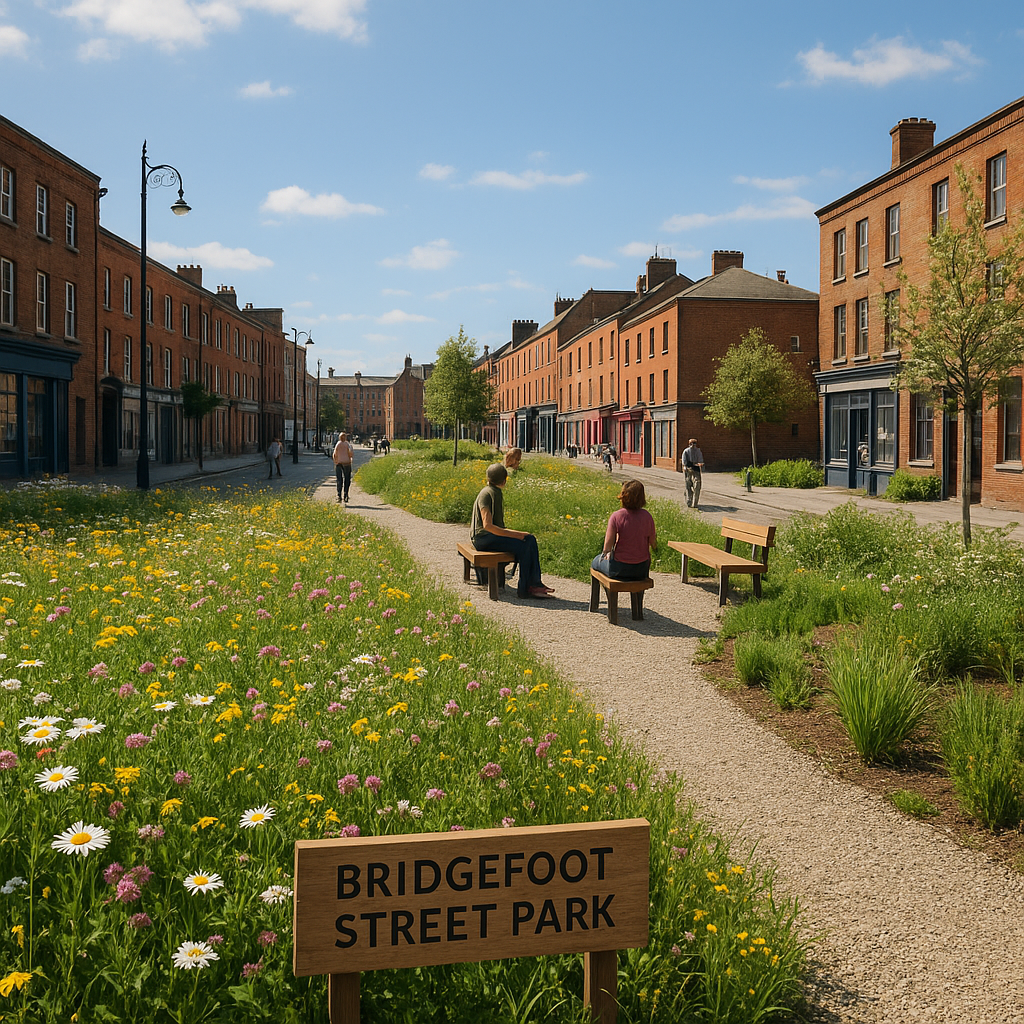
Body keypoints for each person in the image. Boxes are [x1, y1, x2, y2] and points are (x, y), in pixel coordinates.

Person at [470, 463, 553, 599]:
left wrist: (518, 535)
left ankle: (533, 584)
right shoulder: (488, 494)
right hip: (483, 539)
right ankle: (527, 587)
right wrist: (517, 534)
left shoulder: (492, 491)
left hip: (486, 537)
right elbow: (488, 526)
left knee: (529, 540)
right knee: (525, 542)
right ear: (504, 480)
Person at [591, 479, 657, 580]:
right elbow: (653, 544)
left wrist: (607, 555)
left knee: (595, 561)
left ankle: (599, 595)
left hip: (619, 568)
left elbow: (607, 548)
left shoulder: (616, 516)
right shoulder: (647, 517)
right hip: (641, 570)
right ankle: (637, 595)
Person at [682, 437, 704, 509]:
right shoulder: (686, 451)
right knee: (688, 485)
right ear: (689, 444)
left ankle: (695, 503)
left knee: (697, 485)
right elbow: (684, 461)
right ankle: (689, 500)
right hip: (688, 469)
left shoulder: (698, 451)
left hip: (696, 469)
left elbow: (700, 460)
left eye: (694, 443)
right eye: (692, 444)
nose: (693, 445)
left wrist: (700, 463)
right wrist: (684, 466)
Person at [332, 432, 355, 503]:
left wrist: (335, 461)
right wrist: (350, 459)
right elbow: (351, 453)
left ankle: (339, 495)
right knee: (347, 479)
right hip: (347, 463)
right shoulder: (348, 444)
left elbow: (334, 454)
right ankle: (345, 494)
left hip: (339, 463)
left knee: (339, 479)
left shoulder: (338, 444)